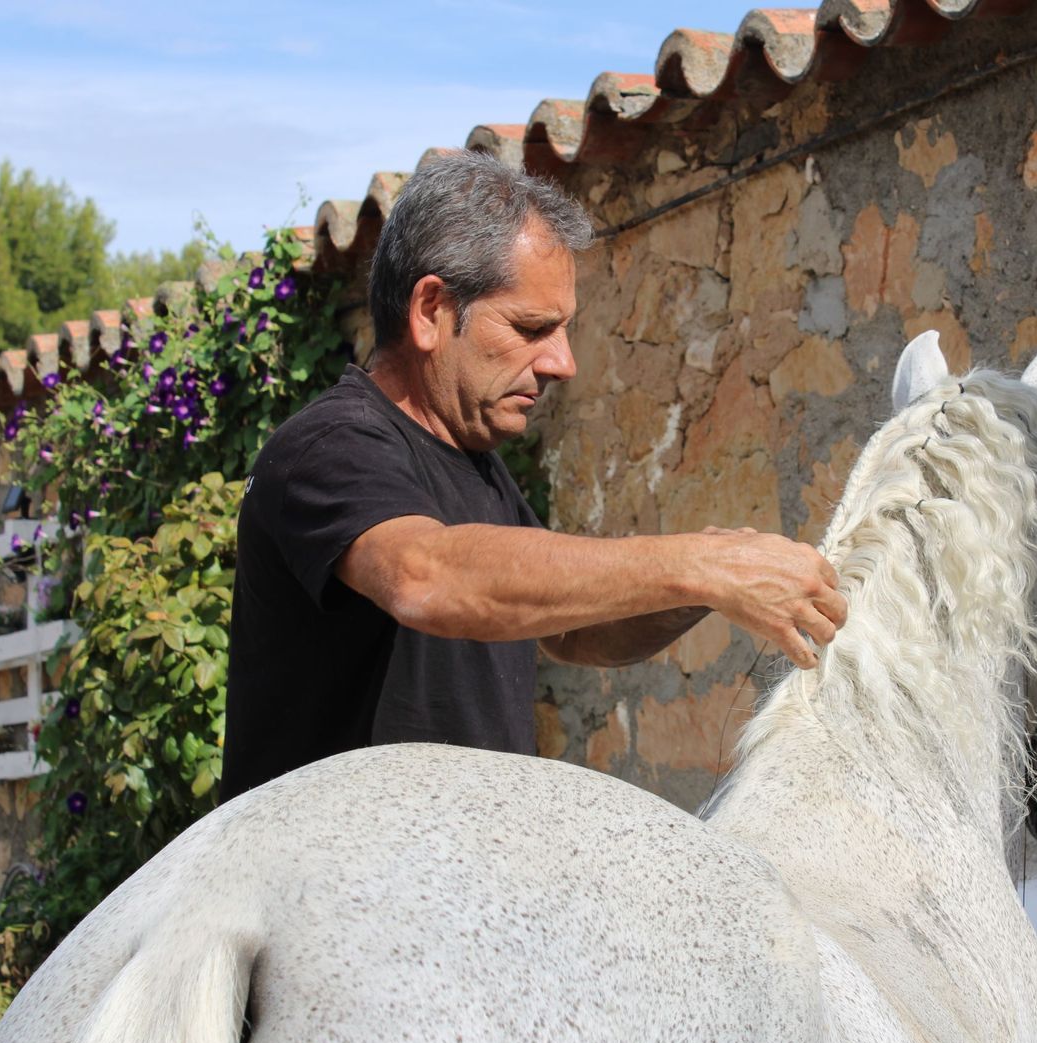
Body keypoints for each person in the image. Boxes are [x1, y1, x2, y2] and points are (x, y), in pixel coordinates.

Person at [220, 152, 847, 801]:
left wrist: (707, 583)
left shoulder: (474, 465)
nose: (563, 363)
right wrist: (697, 564)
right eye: (531, 328)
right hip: (330, 887)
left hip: (467, 878)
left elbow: (576, 633)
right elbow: (425, 577)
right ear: (431, 310)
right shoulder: (330, 446)